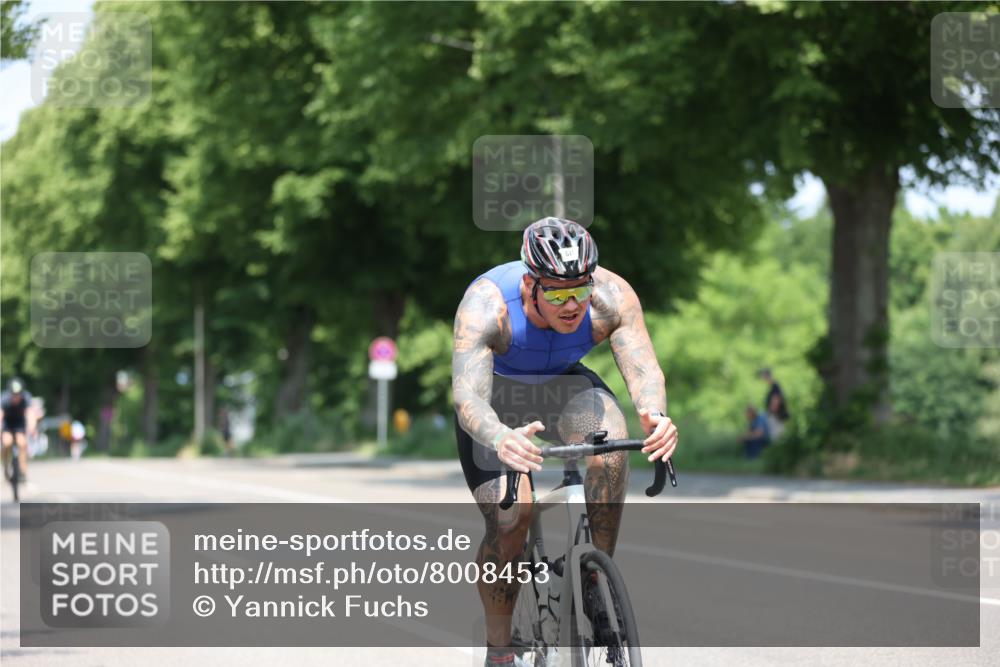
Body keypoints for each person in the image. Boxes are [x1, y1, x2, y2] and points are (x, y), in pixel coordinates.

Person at [452, 217, 678, 667]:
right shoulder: (486, 306)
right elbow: (468, 396)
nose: (572, 304)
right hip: (498, 399)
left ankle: (595, 580)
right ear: (529, 285)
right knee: (511, 518)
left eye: (580, 290)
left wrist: (655, 414)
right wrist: (499, 437)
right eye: (557, 294)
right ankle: (499, 651)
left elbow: (645, 369)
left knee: (611, 451)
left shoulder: (611, 296)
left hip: (565, 386)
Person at [1, 378, 35, 482]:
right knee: (6, 443)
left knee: (22, 443)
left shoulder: (26, 398)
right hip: (8, 424)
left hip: (20, 424)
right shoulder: (4, 399)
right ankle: (6, 466)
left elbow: (30, 414)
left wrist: (32, 428)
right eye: (14, 394)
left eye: (18, 394)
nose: (16, 397)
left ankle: (23, 471)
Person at [758, 367, 789, 440]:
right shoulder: (773, 386)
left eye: (764, 376)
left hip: (776, 416)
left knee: (777, 438)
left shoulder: (775, 386)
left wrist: (770, 414)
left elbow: (776, 401)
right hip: (775, 416)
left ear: (767, 375)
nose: (763, 379)